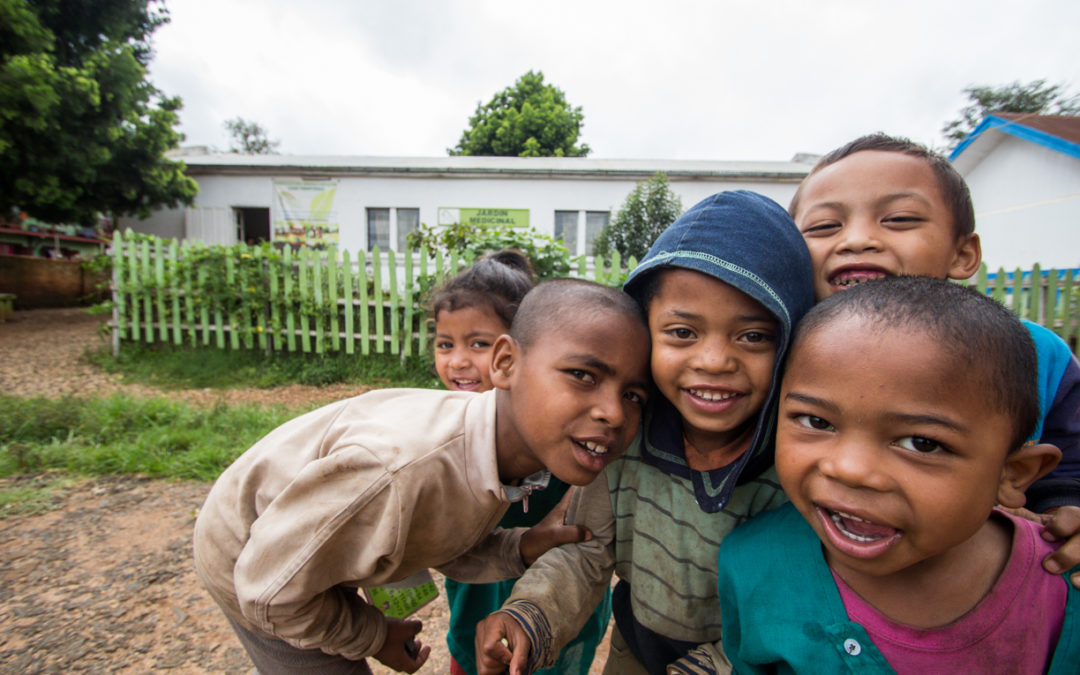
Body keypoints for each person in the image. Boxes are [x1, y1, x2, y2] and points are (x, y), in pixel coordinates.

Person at [192, 278, 651, 675]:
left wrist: (520, 546)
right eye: (582, 375)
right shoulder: (398, 473)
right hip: (251, 560)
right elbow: (269, 595)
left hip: (306, 550)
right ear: (506, 364)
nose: (613, 413)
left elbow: (439, 535)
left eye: (633, 395)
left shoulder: (505, 450)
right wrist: (373, 636)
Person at [475, 190, 816, 675]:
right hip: (633, 651)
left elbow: (790, 607)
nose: (714, 361)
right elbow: (589, 547)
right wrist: (531, 614)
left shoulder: (792, 466)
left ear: (791, 342)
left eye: (753, 336)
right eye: (682, 332)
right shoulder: (624, 437)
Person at [717, 276, 1080, 674]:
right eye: (815, 421)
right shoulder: (751, 562)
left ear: (1013, 474)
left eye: (922, 444)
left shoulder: (1066, 580)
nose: (850, 470)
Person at [789, 133, 1080, 521]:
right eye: (824, 226)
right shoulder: (784, 349)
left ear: (962, 254)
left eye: (899, 219)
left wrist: (1063, 508)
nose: (857, 240)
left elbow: (1069, 461)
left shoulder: (1036, 353)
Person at [428, 250, 612, 675]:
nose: (457, 362)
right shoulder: (438, 435)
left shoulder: (564, 429)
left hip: (557, 616)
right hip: (475, 602)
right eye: (445, 344)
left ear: (517, 353)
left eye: (478, 344)